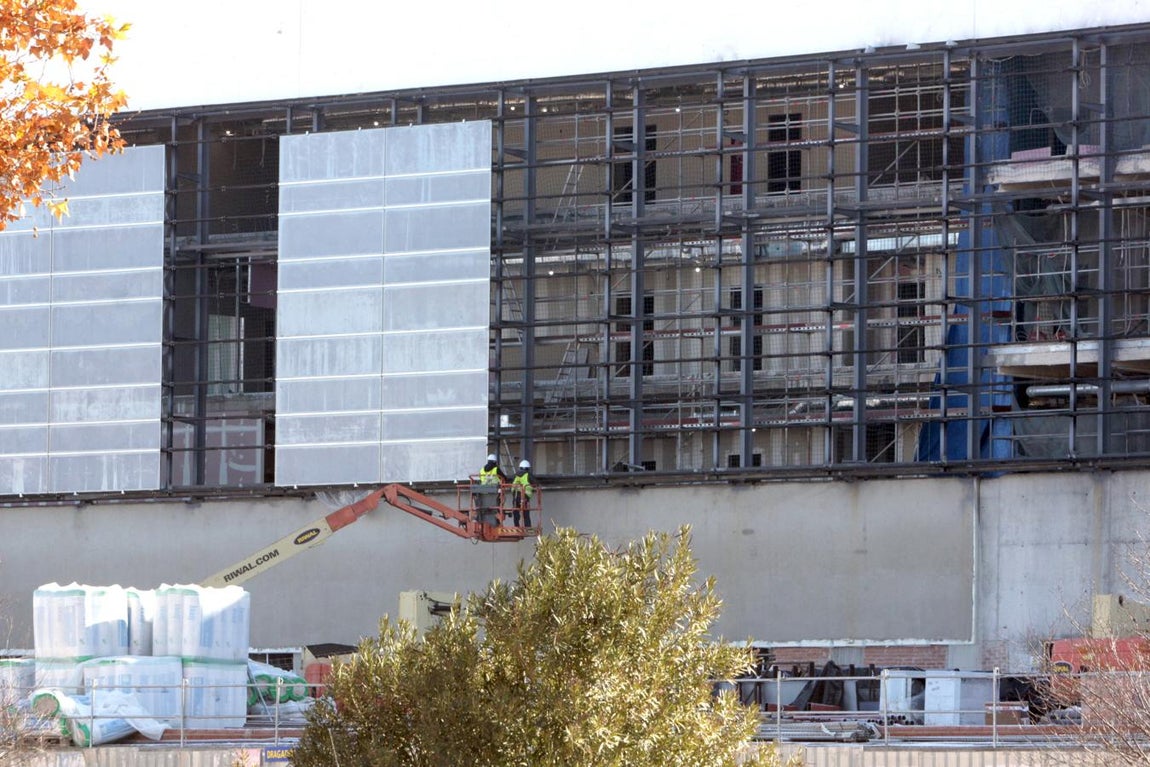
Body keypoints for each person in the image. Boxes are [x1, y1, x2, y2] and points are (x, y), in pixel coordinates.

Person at [473, 453, 508, 520]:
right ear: (495, 461)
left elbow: (481, 479)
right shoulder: (496, 469)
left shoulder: (482, 470)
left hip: (483, 492)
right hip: (495, 491)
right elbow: (504, 478)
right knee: (500, 501)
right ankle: (497, 512)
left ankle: (480, 513)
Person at [511, 459, 534, 528]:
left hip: (515, 496)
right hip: (524, 496)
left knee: (516, 512)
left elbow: (511, 483)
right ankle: (527, 527)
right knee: (525, 512)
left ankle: (516, 526)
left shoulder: (515, 475)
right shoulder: (528, 475)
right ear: (528, 468)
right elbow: (536, 483)